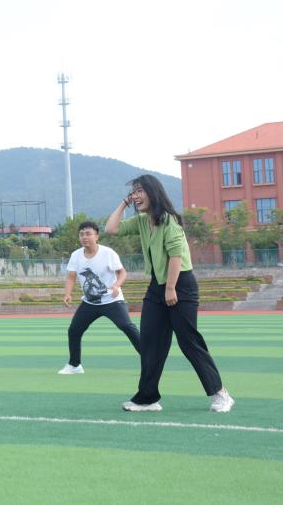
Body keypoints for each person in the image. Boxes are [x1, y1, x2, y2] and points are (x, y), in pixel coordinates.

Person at [105, 174, 234, 412]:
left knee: (188, 341)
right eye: (134, 192)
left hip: (180, 284)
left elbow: (176, 256)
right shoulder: (142, 221)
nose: (136, 196)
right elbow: (111, 228)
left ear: (153, 192)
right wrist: (124, 203)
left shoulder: (169, 221)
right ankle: (147, 398)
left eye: (140, 191)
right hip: (157, 286)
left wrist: (171, 288)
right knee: (150, 342)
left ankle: (220, 393)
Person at [58, 220, 140, 375]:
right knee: (74, 330)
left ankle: (149, 358)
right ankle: (75, 365)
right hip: (90, 302)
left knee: (126, 326)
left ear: (97, 236)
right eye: (81, 234)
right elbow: (71, 277)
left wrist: (116, 286)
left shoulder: (108, 253)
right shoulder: (76, 255)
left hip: (112, 300)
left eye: (88, 234)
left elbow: (122, 273)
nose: (84, 237)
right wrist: (68, 294)